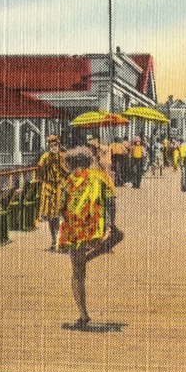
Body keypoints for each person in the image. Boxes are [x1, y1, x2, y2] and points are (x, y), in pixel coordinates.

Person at [57, 148, 123, 330]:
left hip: (74, 231)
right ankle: (91, 255)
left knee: (77, 273)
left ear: (70, 164)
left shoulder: (67, 182)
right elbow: (110, 201)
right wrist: (109, 224)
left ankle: (83, 313)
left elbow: (59, 208)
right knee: (118, 235)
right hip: (95, 228)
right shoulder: (100, 177)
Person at [35, 134, 69, 251]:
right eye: (51, 143)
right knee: (52, 217)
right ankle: (55, 242)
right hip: (51, 187)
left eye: (55, 143)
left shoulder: (61, 156)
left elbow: (67, 171)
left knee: (62, 215)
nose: (53, 145)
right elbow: (39, 168)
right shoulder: (46, 157)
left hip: (59, 187)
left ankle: (61, 241)